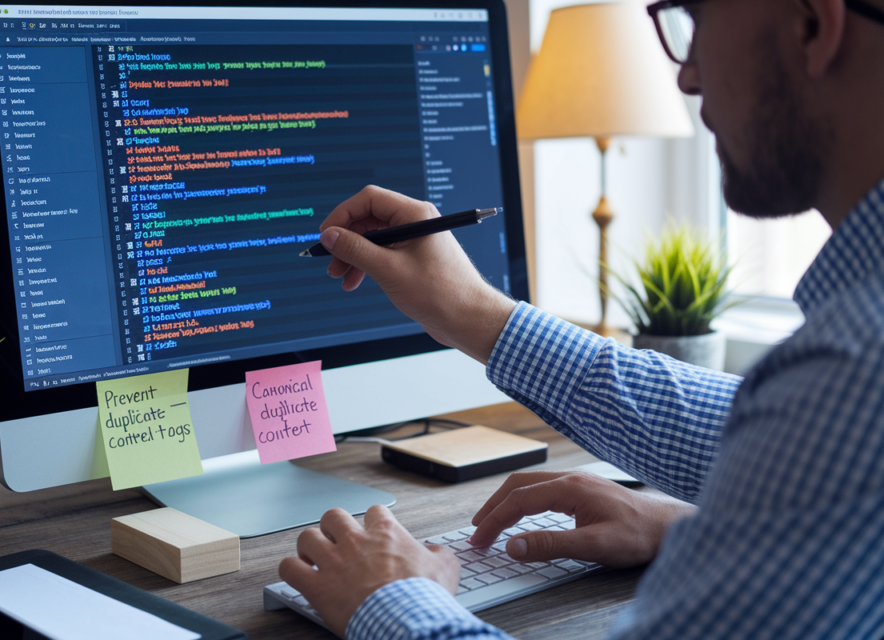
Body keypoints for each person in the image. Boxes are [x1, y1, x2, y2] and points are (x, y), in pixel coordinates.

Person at [279, 0, 884, 638]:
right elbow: (765, 433)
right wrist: (477, 315)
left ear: (814, 25)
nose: (688, 75)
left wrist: (392, 601)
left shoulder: (850, 369)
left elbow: (820, 420)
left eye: (696, 17)